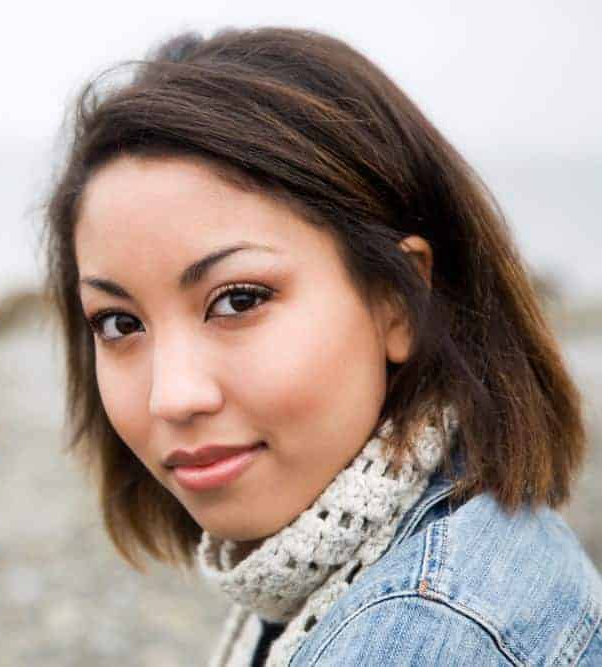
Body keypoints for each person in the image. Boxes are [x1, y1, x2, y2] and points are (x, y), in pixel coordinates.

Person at [39, 26, 602, 665]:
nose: (173, 396)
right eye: (119, 324)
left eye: (238, 300)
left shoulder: (432, 631)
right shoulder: (444, 549)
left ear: (399, 301)